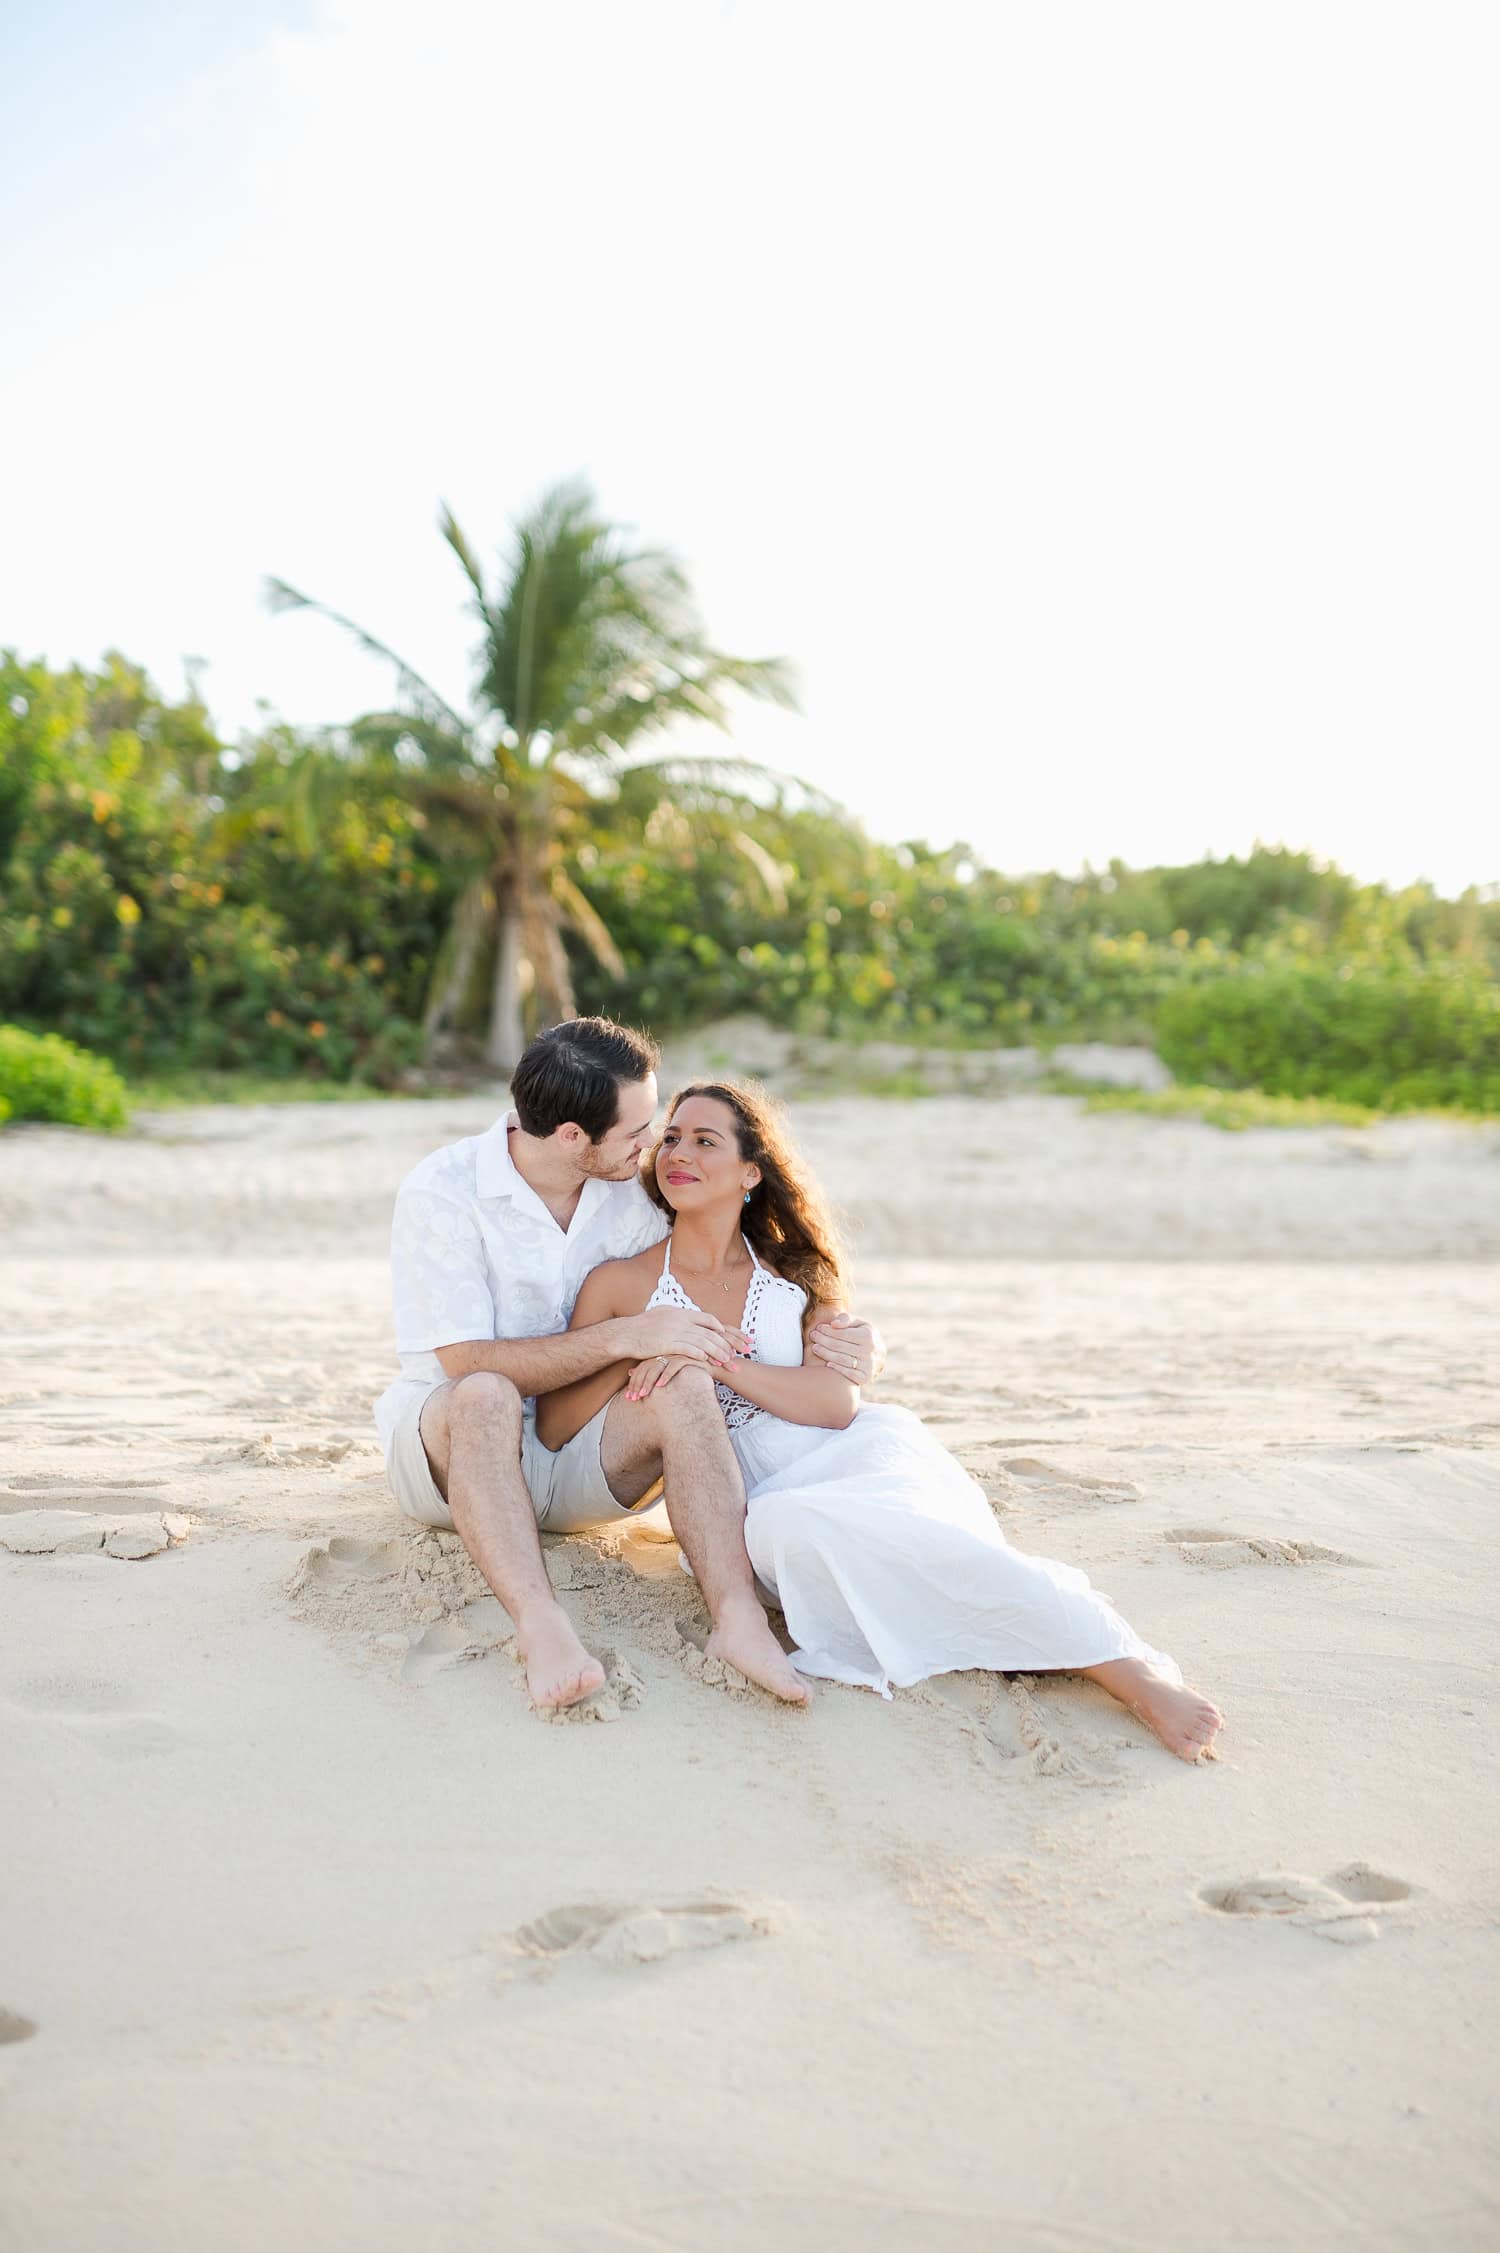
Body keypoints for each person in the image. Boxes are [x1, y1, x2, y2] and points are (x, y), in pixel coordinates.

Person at [537, 1079, 1225, 1762]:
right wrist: (636, 1343)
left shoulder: (792, 1276)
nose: (678, 1152)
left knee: (921, 1539)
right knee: (801, 1530)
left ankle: (1125, 1669)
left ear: (751, 1172)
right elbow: (556, 1423)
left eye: (705, 1140)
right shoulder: (622, 1283)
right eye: (673, 1137)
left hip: (848, 1452)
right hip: (740, 1492)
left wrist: (714, 1358)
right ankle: (1049, 1644)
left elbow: (835, 1403)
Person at [373, 1018, 883, 1713]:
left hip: (581, 1454)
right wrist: (627, 1337)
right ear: (573, 1137)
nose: (654, 1145)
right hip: (454, 1452)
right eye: (639, 1130)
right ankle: (541, 1624)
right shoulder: (443, 1191)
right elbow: (466, 1362)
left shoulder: (629, 1187)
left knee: (685, 1379)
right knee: (487, 1392)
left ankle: (737, 1617)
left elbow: (744, 1241)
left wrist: (841, 1328)